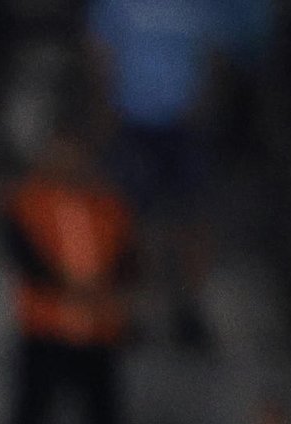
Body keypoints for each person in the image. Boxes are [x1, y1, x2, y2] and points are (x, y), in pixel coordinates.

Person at [0, 129, 135, 424]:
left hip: (98, 333)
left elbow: (127, 260)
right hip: (45, 331)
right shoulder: (28, 202)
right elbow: (25, 257)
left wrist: (99, 289)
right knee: (29, 422)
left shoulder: (109, 206)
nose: (70, 164)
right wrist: (71, 285)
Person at [90, 0, 261, 351]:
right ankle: (136, 308)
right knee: (132, 221)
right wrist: (105, 112)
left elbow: (216, 54)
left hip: (186, 125)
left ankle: (188, 308)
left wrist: (208, 107)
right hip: (133, 122)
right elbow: (101, 55)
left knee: (191, 221)